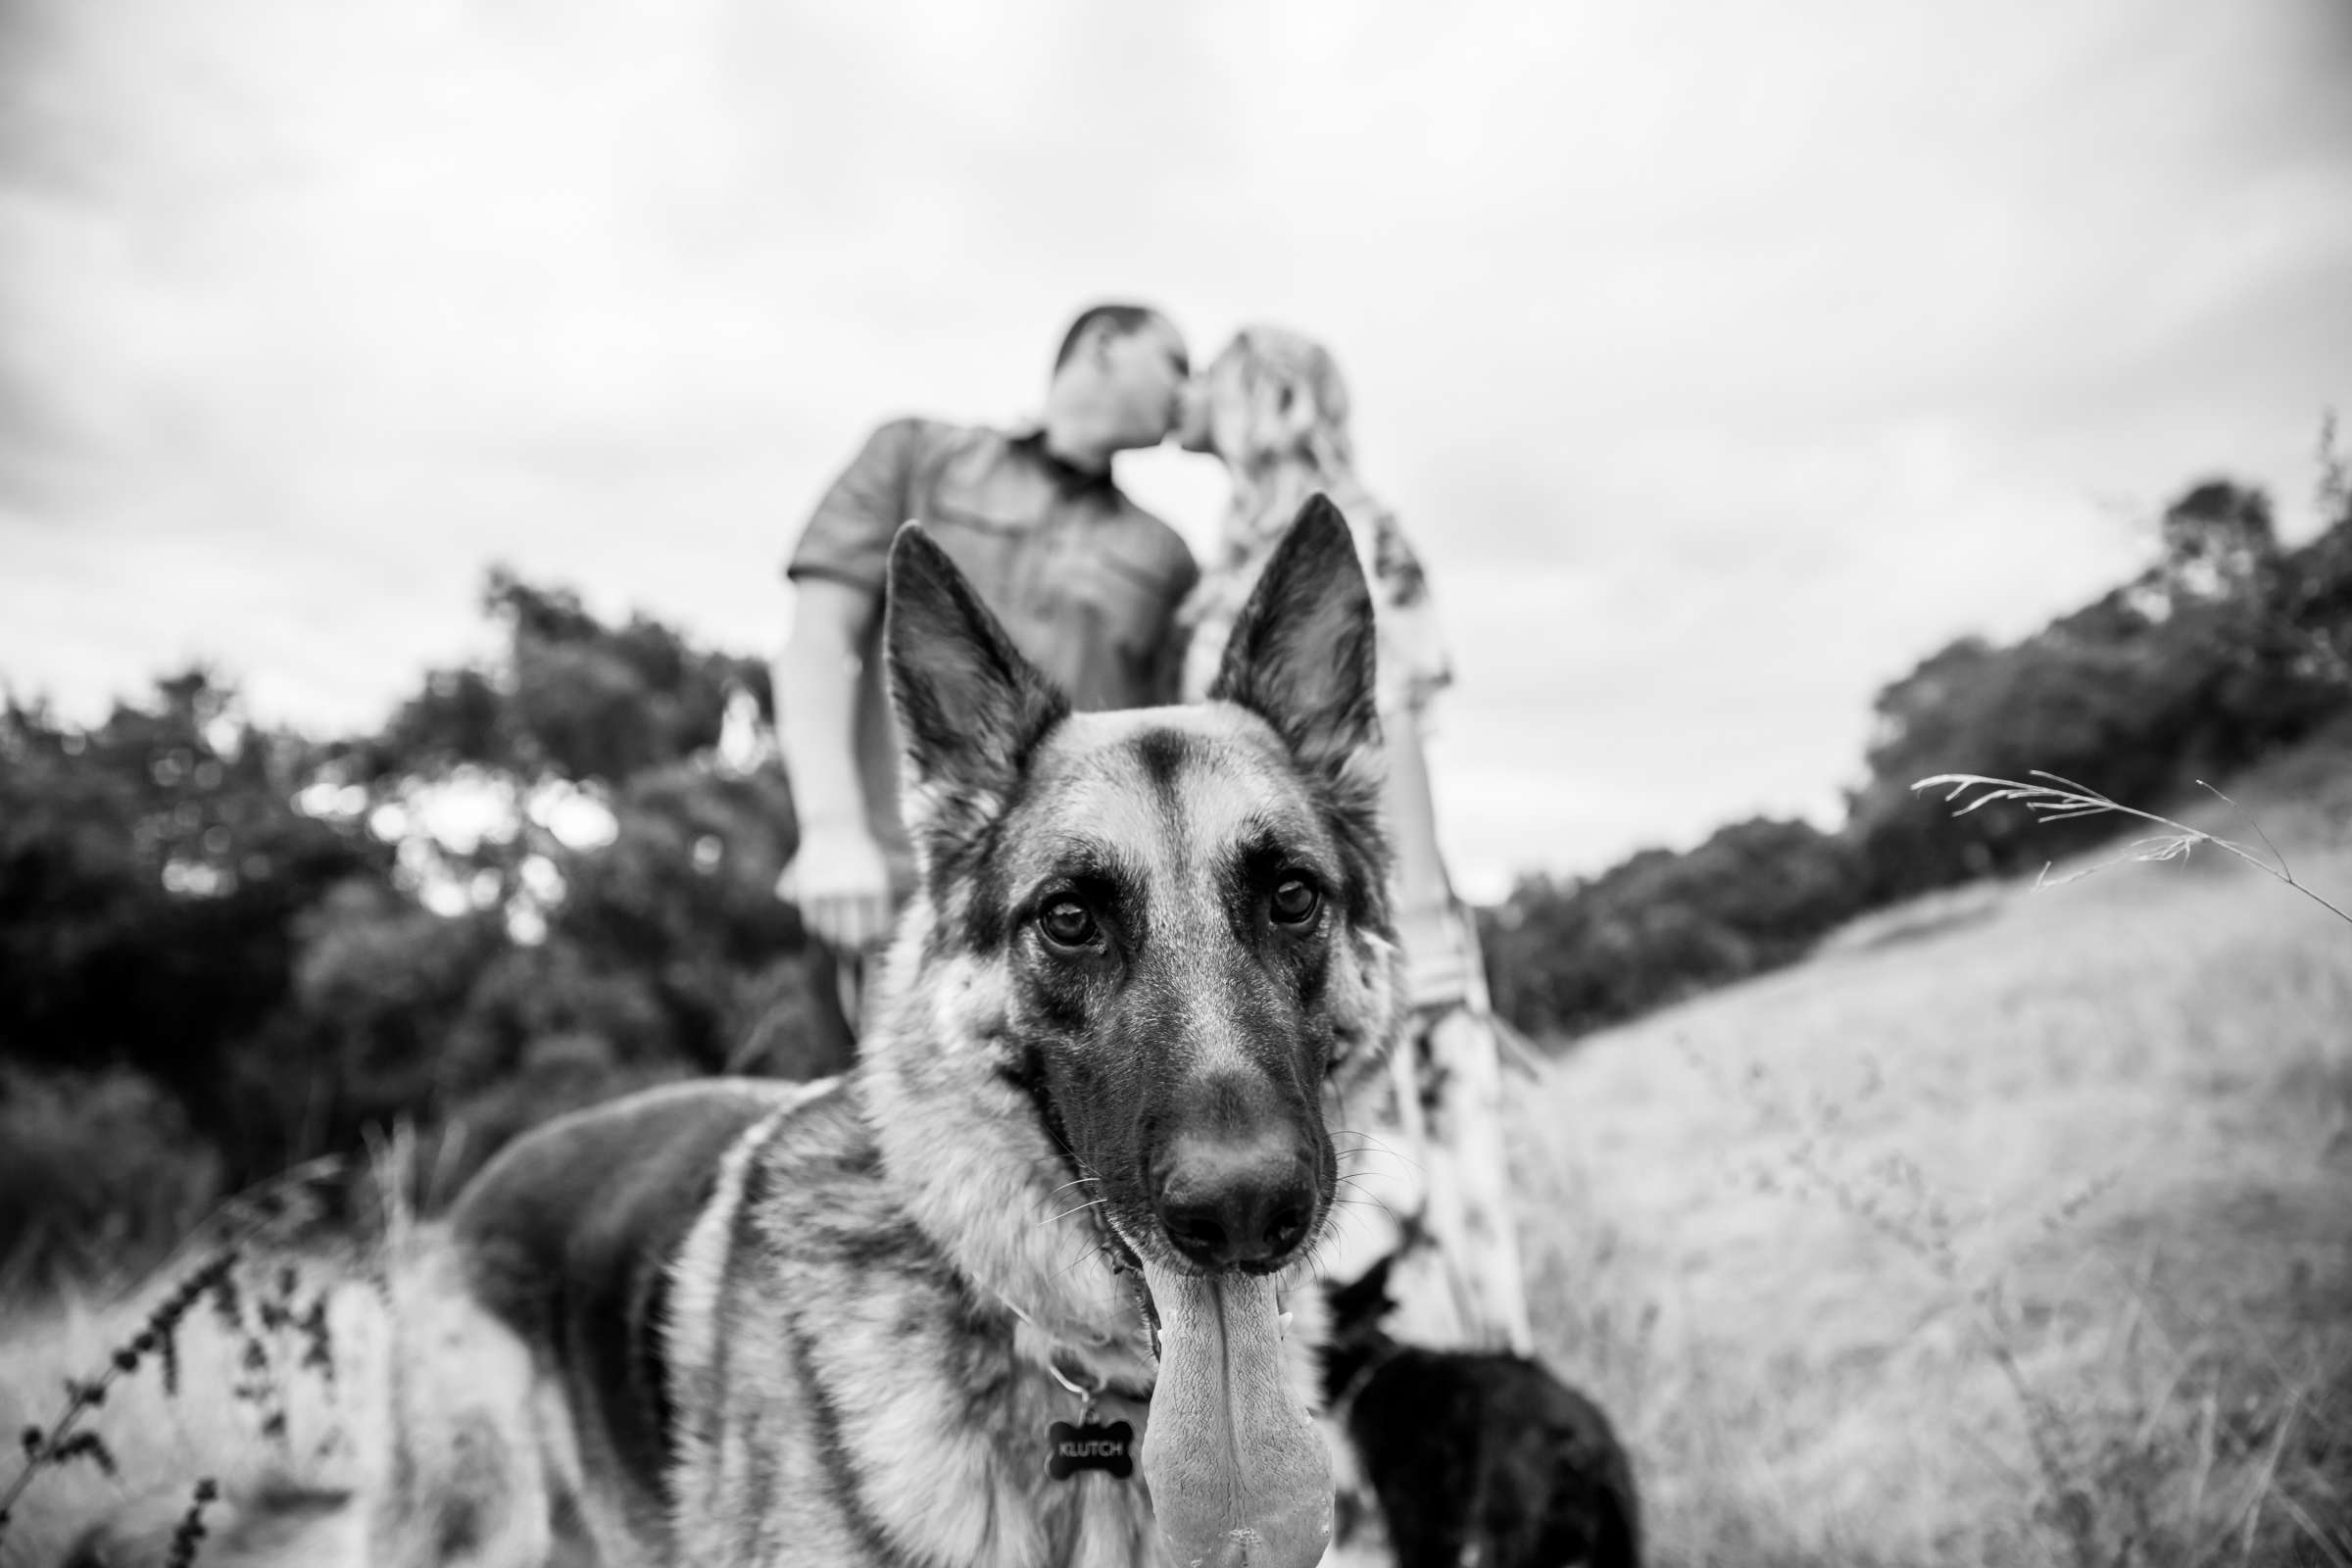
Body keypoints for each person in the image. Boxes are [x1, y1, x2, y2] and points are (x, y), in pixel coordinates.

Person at [1174, 325, 1535, 1357]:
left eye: (1210, 374)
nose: (1188, 393)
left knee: (1428, 1202)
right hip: (1253, 957)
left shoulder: (1359, 536)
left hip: (1361, 923)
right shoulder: (1225, 560)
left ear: (1262, 397)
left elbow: (1393, 740)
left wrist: (1417, 933)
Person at [771, 304, 1200, 1073]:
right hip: (885, 898)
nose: (1187, 391)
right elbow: (815, 639)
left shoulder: (1166, 556)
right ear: (1104, 348)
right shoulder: (916, 456)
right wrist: (831, 831)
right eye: (1175, 362)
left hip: (1066, 941)